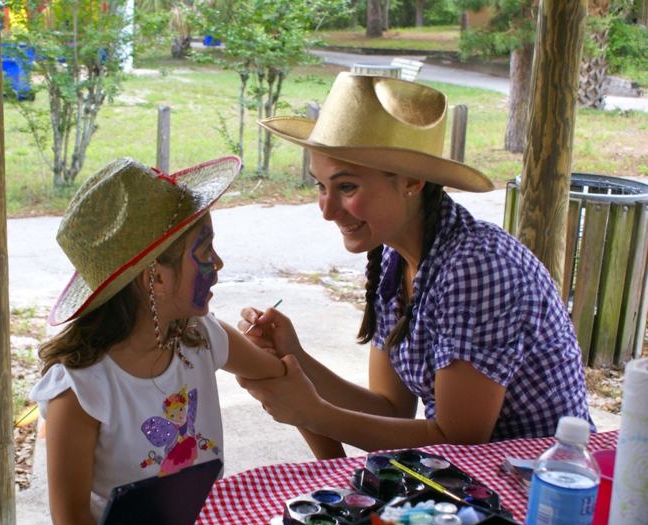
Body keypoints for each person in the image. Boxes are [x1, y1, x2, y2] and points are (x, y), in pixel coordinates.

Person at [237, 72, 593, 460]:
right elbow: (390, 409)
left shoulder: (475, 267)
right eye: (321, 186)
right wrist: (296, 360)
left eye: (347, 187)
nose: (327, 210)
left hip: (541, 488)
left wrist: (314, 413)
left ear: (411, 181)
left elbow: (459, 441)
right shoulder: (392, 257)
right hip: (467, 489)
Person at [29, 156, 286, 525]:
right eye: (204, 251)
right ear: (155, 279)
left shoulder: (201, 336)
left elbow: (274, 374)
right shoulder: (79, 391)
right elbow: (71, 520)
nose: (218, 263)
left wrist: (279, 351)